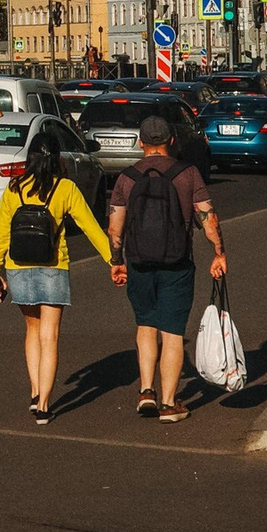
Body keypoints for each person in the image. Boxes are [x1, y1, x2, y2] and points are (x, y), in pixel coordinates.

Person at [0, 129, 115, 425]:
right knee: (50, 335)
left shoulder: (14, 188)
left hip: (18, 267)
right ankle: (44, 403)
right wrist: (113, 259)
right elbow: (91, 227)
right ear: (57, 158)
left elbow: (2, 232)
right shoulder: (65, 188)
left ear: (30, 158)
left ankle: (34, 392)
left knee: (32, 330)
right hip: (54, 266)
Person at [106, 114, 227, 423]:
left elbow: (115, 227)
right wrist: (219, 252)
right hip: (177, 263)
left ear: (140, 142)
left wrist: (117, 261)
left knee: (145, 325)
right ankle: (169, 404)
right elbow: (207, 217)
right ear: (172, 141)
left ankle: (146, 391)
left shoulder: (126, 178)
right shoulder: (188, 174)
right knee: (172, 333)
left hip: (138, 262)